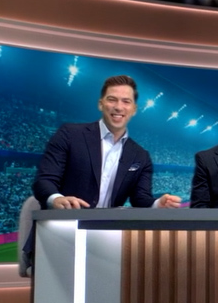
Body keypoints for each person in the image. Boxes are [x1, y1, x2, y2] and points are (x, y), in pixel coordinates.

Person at [32, 75, 182, 210]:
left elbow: (140, 199)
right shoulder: (69, 134)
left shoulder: (141, 156)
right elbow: (44, 180)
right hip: (65, 223)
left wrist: (157, 204)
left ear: (134, 109)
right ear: (100, 104)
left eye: (126, 101)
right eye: (112, 99)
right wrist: (56, 199)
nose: (118, 107)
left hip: (108, 228)